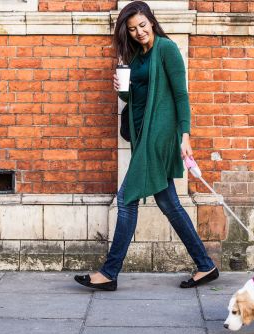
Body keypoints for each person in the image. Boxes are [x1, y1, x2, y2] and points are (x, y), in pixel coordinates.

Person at [74, 0, 218, 291]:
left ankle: (110, 272)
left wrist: (185, 136)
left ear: (151, 21)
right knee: (169, 204)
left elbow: (181, 95)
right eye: (132, 29)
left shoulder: (167, 49)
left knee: (126, 200)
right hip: (142, 135)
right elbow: (134, 100)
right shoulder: (137, 57)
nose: (139, 32)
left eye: (142, 25)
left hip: (159, 136)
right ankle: (205, 265)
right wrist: (122, 88)